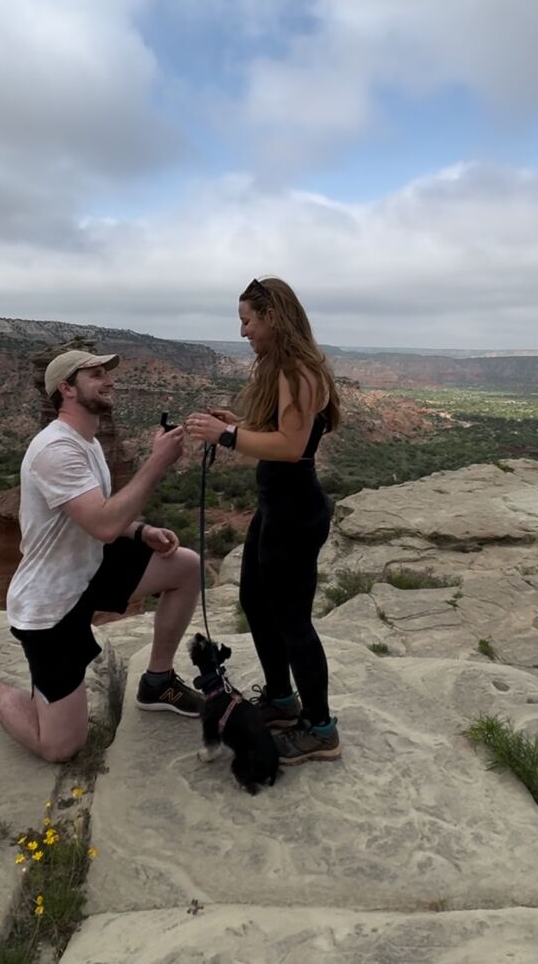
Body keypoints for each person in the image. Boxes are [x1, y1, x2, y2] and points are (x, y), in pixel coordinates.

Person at [0, 349, 203, 762]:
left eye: (107, 373)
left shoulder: (88, 442)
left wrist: (141, 530)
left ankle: (158, 680)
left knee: (186, 566)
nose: (109, 380)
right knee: (61, 747)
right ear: (66, 388)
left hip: (90, 569)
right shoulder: (54, 450)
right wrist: (157, 463)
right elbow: (101, 523)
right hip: (51, 603)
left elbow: (98, 513)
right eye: (96, 374)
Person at [186, 276, 341, 766]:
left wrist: (228, 438)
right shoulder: (283, 369)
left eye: (247, 321)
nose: (243, 332)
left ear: (272, 316)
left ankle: (320, 728)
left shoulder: (298, 370)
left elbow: (291, 448)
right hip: (277, 506)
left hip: (295, 510)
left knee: (292, 620)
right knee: (256, 600)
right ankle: (281, 699)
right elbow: (274, 431)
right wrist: (232, 422)